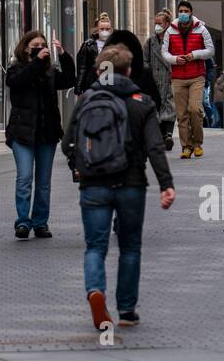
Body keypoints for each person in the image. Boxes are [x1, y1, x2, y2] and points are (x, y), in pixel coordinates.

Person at [62, 43, 175, 330]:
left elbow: (67, 143)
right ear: (128, 70)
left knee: (95, 247)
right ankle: (126, 310)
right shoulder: (142, 102)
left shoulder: (87, 99)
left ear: (102, 70)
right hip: (131, 184)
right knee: (130, 247)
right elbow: (155, 147)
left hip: (93, 185)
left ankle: (96, 291)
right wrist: (166, 184)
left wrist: (80, 165)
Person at [4, 30, 75, 240]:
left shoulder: (50, 71)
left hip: (46, 133)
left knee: (43, 182)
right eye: (35, 45)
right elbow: (19, 82)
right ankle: (23, 223)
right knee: (24, 178)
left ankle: (40, 223)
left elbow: (69, 79)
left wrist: (63, 54)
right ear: (26, 48)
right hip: (22, 133)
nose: (40, 48)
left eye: (42, 45)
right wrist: (37, 62)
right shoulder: (15, 69)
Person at [159, 0, 216, 159]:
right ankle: (186, 147)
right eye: (180, 11)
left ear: (191, 12)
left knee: (194, 109)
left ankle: (197, 143)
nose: (183, 14)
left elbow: (210, 51)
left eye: (186, 11)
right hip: (178, 77)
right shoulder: (170, 31)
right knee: (181, 114)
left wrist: (195, 55)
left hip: (196, 76)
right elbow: (165, 53)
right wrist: (176, 59)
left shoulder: (201, 29)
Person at [144, 10, 178, 148]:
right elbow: (144, 59)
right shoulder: (150, 41)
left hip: (169, 78)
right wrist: (147, 73)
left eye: (159, 23)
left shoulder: (174, 39)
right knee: (156, 107)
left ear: (167, 24)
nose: (157, 26)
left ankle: (168, 134)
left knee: (169, 106)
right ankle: (162, 136)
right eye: (155, 23)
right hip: (154, 80)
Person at [74, 13, 114, 95]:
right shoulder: (89, 45)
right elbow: (82, 68)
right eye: (102, 29)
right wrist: (79, 90)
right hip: (93, 86)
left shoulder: (115, 44)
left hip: (111, 86)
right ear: (97, 30)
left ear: (111, 30)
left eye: (107, 29)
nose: (104, 31)